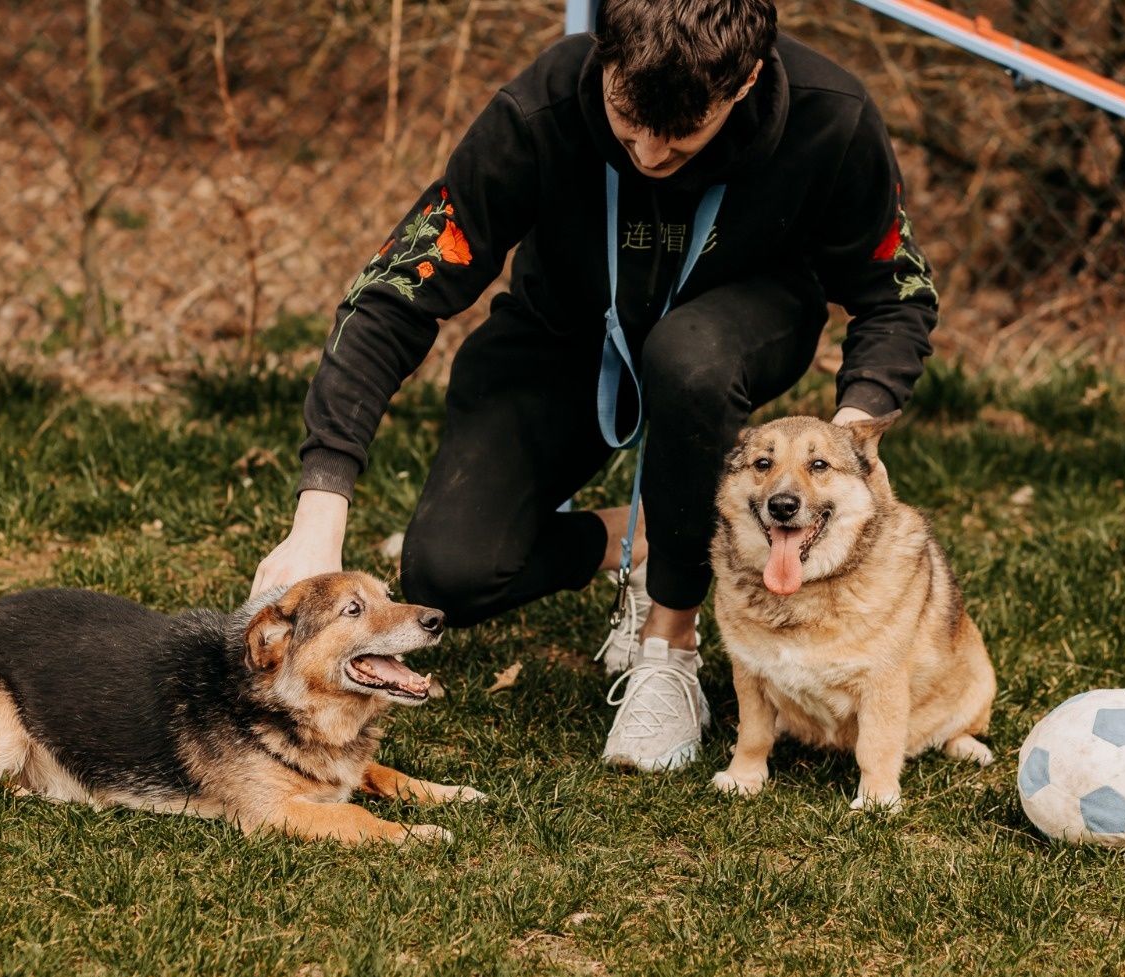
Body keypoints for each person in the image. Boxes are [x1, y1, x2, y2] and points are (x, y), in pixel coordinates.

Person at [252, 0, 938, 772]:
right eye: (625, 118)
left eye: (679, 138)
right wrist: (322, 503)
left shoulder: (832, 119)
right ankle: (646, 537)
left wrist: (857, 428)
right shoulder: (538, 106)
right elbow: (395, 292)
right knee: (453, 573)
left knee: (690, 356)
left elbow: (896, 293)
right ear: (602, 58)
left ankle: (668, 647)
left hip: (738, 326)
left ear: (744, 81)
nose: (646, 153)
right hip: (564, 335)